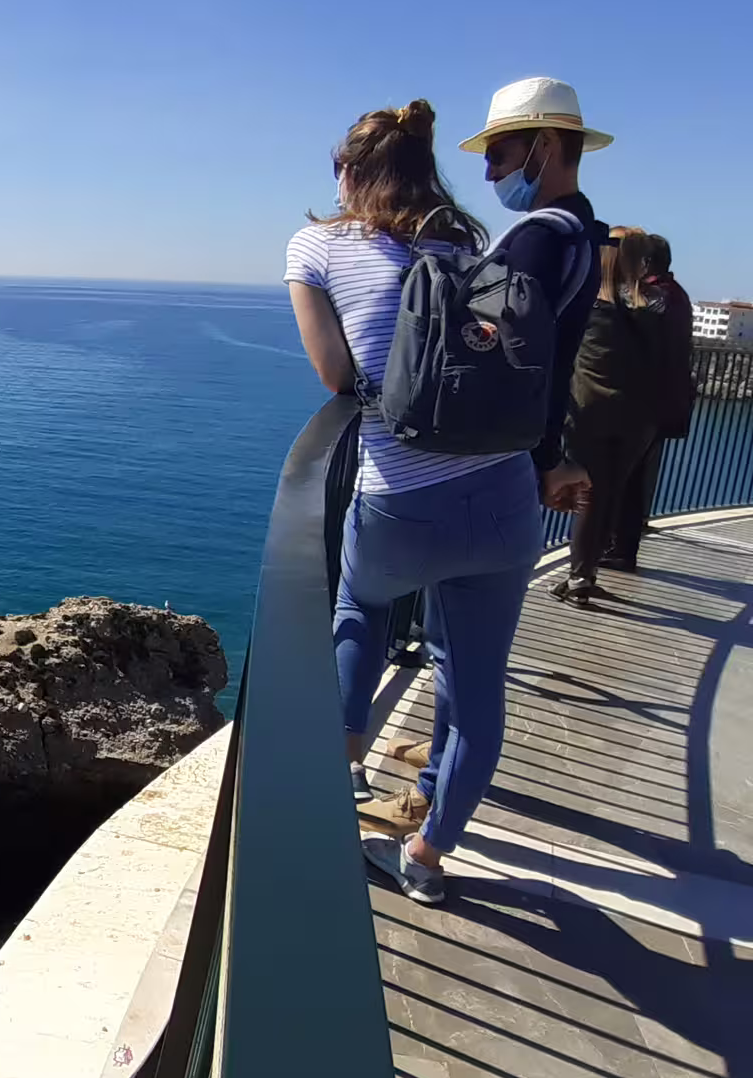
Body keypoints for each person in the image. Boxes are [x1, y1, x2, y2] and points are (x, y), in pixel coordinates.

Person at [285, 81, 606, 907]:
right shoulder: (473, 247)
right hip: (501, 502)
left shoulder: (314, 250)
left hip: (401, 496)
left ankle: (333, 792)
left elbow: (335, 375)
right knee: (475, 689)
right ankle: (426, 860)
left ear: (349, 172)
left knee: (360, 611)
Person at [555, 230, 695, 599]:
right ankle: (588, 570)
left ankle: (580, 575)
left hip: (588, 412)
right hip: (639, 418)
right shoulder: (659, 305)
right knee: (611, 494)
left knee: (588, 494)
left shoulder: (586, 303)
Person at [599, 234, 695, 571]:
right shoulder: (677, 295)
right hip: (663, 401)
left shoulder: (651, 298)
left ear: (644, 263)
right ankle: (622, 548)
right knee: (635, 480)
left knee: (616, 480)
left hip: (641, 402)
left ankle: (608, 550)